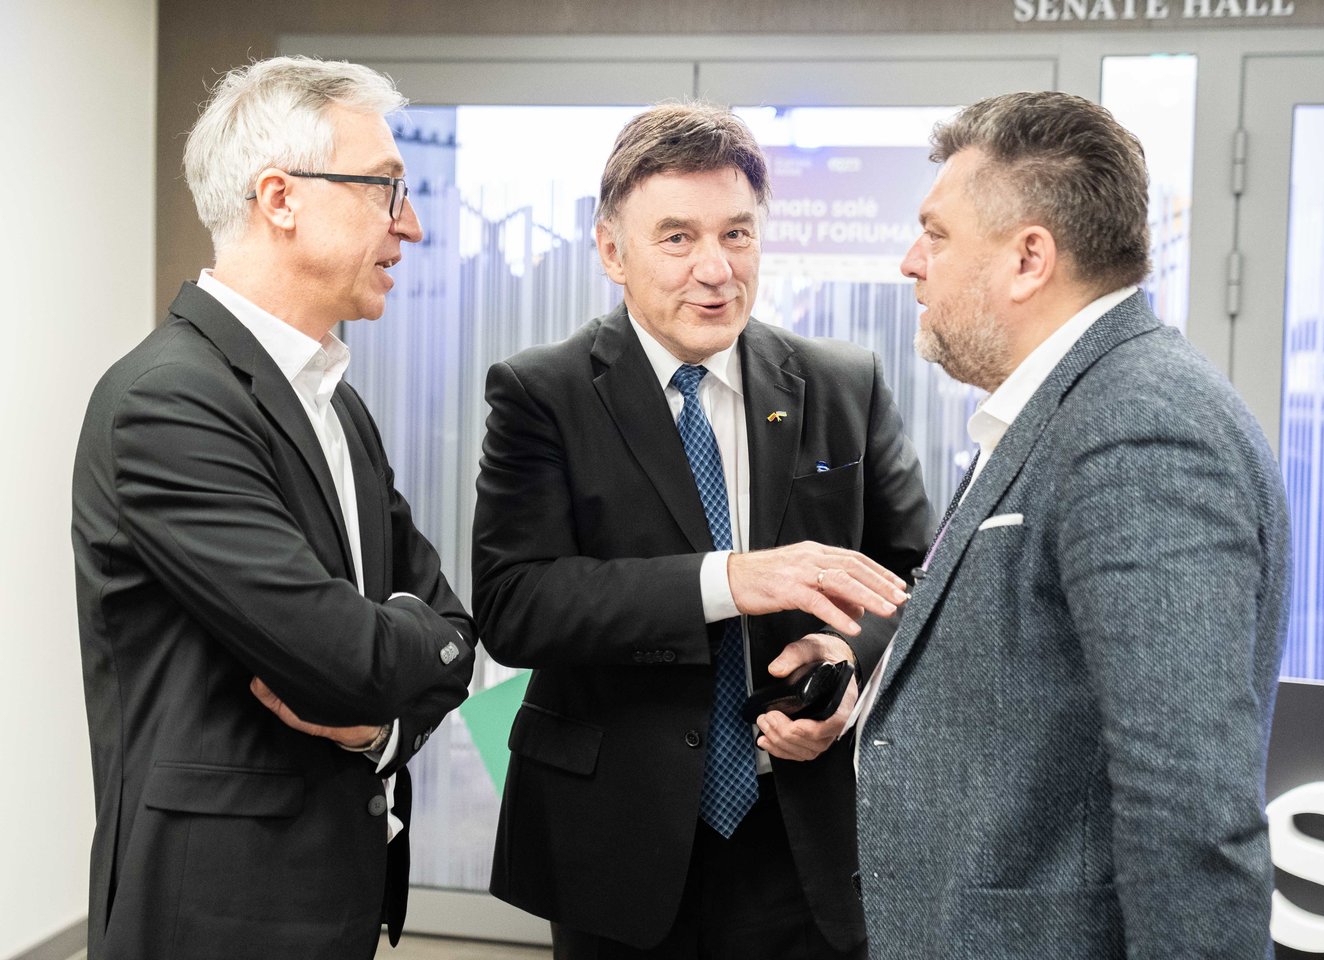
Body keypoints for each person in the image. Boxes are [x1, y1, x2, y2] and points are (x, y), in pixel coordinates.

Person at [471, 102, 930, 959]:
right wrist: (725, 580)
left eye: (737, 235)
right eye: (677, 238)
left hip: (804, 832)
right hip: (616, 835)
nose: (715, 270)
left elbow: (916, 581)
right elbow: (515, 604)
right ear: (612, 251)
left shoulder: (845, 384)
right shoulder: (543, 393)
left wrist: (848, 659)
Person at [856, 91, 1290, 959]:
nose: (911, 263)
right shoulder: (1069, 407)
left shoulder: (1139, 431)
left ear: (1028, 259)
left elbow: (1190, 807)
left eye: (936, 235)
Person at [71, 56, 476, 960]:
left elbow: (454, 628)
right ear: (281, 198)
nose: (410, 224)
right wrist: (405, 645)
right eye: (386, 188)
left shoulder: (334, 402)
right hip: (215, 918)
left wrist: (385, 716)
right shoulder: (166, 402)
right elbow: (347, 661)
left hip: (332, 897)